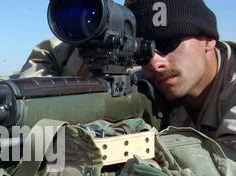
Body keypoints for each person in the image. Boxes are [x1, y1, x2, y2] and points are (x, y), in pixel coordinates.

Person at [18, 0, 236, 157]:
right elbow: (51, 54)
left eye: (168, 43)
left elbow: (225, 174)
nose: (154, 63)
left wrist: (150, 145)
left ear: (208, 40)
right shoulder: (142, 78)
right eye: (143, 50)